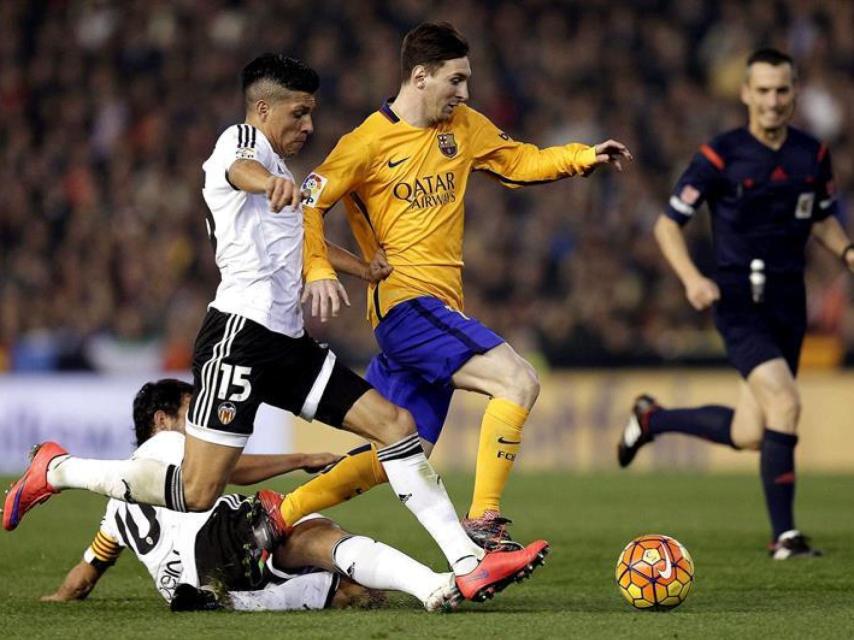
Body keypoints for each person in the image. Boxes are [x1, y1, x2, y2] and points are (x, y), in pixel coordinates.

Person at [4, 53, 548, 601]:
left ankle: (467, 561)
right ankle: (58, 470)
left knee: (395, 424)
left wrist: (360, 267)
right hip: (239, 338)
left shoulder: (282, 172)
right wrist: (267, 184)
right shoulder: (240, 143)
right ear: (265, 108)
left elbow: (294, 236)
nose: (309, 126)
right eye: (300, 113)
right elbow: (239, 171)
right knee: (196, 491)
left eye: (311, 114)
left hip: (289, 344)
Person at [281, 22, 632, 549]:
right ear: (420, 77)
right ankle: (485, 519)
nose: (465, 93)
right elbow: (311, 199)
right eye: (456, 80)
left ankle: (277, 514)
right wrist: (320, 268)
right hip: (406, 306)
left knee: (400, 450)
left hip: (435, 310)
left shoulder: (463, 127)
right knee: (518, 381)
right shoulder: (365, 143)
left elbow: (518, 162)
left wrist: (581, 157)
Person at [617, 49, 853, 559]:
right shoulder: (720, 154)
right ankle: (785, 537)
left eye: (782, 91)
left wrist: (848, 250)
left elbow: (823, 219)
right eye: (763, 90)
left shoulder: (812, 155)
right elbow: (666, 224)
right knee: (786, 404)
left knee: (752, 432)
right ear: (746, 93)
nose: (772, 101)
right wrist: (691, 279)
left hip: (790, 301)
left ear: (793, 93)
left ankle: (651, 420)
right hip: (738, 300)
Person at [41, 379, 462, 613]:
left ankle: (228, 599)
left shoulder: (116, 508)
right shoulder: (163, 445)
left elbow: (84, 577)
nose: (201, 422)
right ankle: (432, 585)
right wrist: (303, 456)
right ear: (162, 419)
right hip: (220, 542)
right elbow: (231, 470)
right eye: (193, 410)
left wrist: (57, 598)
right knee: (315, 533)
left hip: (196, 583)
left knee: (346, 592)